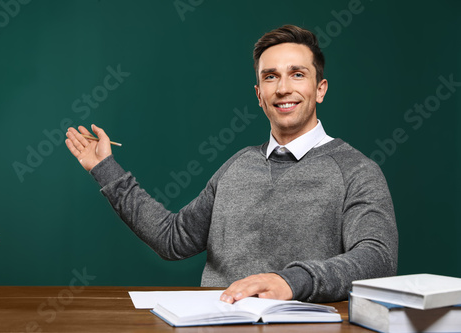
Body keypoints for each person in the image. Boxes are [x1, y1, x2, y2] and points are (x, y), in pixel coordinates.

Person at [65, 25, 398, 303]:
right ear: (258, 94)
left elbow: (378, 259)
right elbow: (173, 238)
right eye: (270, 77)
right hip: (215, 323)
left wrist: (293, 281)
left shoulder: (357, 171)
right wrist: (105, 167)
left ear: (320, 88)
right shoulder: (237, 166)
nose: (283, 89)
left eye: (297, 74)